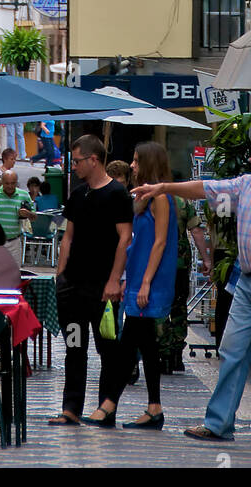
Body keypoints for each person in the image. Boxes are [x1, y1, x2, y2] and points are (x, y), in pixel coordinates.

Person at [134, 132, 251, 449]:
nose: (250, 158)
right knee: (231, 352)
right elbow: (204, 188)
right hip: (247, 284)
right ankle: (219, 423)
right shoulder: (246, 186)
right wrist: (164, 187)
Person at [84, 142, 177, 430]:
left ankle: (109, 404)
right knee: (146, 345)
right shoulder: (144, 197)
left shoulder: (161, 197)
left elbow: (160, 242)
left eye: (137, 161)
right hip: (138, 278)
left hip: (150, 280)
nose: (132, 166)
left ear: (149, 163)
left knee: (127, 347)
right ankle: (154, 408)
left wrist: (146, 282)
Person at [48, 134, 133, 427]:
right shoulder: (77, 194)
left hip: (100, 288)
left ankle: (105, 407)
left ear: (93, 160)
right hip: (72, 287)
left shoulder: (117, 194)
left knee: (107, 348)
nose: (74, 167)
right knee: (74, 346)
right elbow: (68, 237)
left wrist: (114, 281)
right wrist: (60, 277)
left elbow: (125, 239)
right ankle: (71, 407)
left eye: (78, 161)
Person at [156, 189, 212, 375]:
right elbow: (196, 230)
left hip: (157, 262)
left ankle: (163, 353)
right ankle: (177, 354)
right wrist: (206, 258)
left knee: (159, 307)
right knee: (179, 307)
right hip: (180, 262)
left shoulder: (149, 199)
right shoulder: (182, 202)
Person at [0, 170, 36, 261]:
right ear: (2, 182)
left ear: (17, 183)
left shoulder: (24, 195)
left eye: (13, 183)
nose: (10, 186)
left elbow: (34, 217)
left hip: (14, 242)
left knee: (14, 272)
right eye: (7, 183)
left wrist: (28, 214)